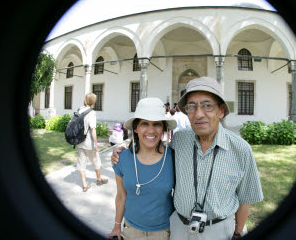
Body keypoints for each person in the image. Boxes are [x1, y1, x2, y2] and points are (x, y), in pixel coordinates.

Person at [112, 77, 263, 240]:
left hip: (219, 230)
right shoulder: (180, 140)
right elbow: (151, 143)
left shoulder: (241, 150)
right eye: (192, 107)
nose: (198, 114)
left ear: (221, 110)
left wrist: (238, 233)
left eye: (207, 106)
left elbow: (245, 199)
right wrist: (124, 147)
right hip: (179, 229)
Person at [108, 97, 177, 240]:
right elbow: (121, 196)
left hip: (165, 231)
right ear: (136, 127)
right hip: (130, 230)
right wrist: (116, 226)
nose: (151, 130)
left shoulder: (174, 158)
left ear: (163, 128)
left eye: (157, 124)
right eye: (144, 123)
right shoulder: (122, 158)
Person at [77, 93, 108, 192]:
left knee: (81, 163)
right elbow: (93, 129)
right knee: (96, 160)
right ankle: (99, 179)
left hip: (79, 141)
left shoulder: (80, 110)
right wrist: (96, 143)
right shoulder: (91, 112)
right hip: (88, 142)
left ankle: (85, 184)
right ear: (93, 101)